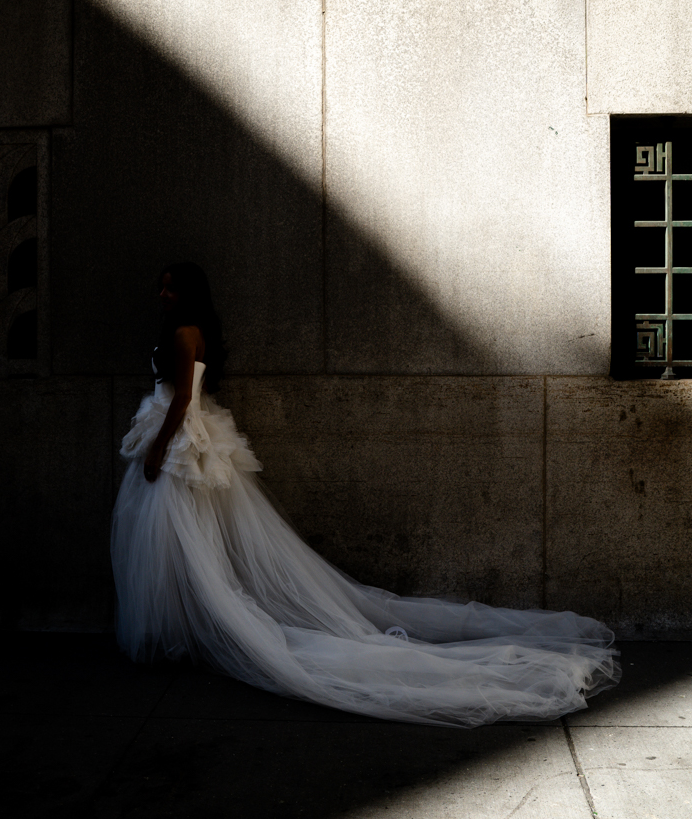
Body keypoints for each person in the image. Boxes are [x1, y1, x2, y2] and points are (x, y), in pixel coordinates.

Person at [111, 263, 620, 728]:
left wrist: (157, 451)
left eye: (170, 285)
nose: (162, 292)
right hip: (188, 441)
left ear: (189, 293)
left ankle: (195, 629)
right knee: (186, 545)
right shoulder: (191, 331)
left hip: (179, 444)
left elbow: (181, 399)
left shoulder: (182, 333)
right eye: (160, 284)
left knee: (182, 542)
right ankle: (188, 627)